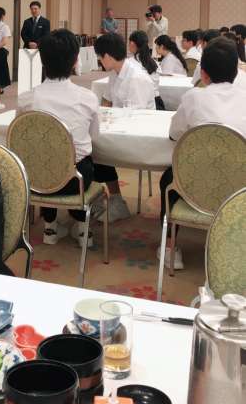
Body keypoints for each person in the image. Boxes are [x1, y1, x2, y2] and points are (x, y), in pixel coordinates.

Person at [159, 37, 246, 270]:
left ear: (203, 74)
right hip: (239, 187)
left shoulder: (194, 97)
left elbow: (174, 133)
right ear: (236, 72)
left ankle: (170, 248)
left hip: (195, 184)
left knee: (168, 180)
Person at [18, 29, 99, 248]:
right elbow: (94, 138)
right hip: (75, 181)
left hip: (36, 180)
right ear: (75, 60)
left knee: (44, 156)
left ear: (42, 61)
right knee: (80, 160)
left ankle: (50, 227)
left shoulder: (26, 99)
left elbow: (22, 138)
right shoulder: (87, 98)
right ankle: (83, 229)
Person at [94, 32, 156, 223]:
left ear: (107, 56)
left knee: (94, 148)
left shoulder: (136, 77)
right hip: (121, 127)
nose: (99, 61)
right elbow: (107, 100)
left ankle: (115, 201)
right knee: (89, 145)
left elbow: (135, 118)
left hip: (139, 135)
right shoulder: (116, 72)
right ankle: (101, 198)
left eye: (99, 57)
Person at [128, 30, 164, 110]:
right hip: (157, 102)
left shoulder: (129, 64)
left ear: (132, 44)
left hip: (139, 103)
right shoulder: (155, 63)